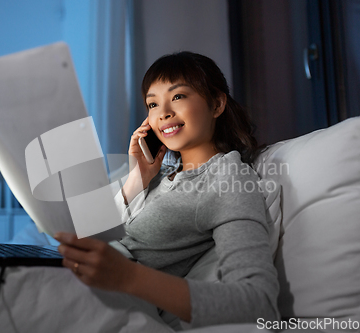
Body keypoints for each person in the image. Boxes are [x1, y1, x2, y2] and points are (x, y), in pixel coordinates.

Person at [54, 51, 279, 328]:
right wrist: (138, 178)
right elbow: (85, 230)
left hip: (111, 299)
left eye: (178, 97)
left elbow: (259, 302)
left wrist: (128, 277)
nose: (163, 113)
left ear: (217, 103)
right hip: (75, 275)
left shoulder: (228, 179)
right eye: (152, 104)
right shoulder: (160, 174)